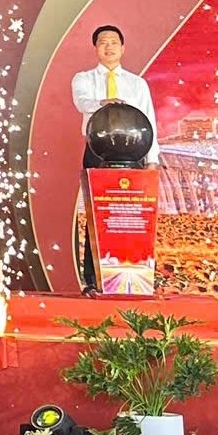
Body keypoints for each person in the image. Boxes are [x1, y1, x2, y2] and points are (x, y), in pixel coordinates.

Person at [71, 23, 158, 292]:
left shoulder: (137, 83)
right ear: (95, 48)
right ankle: (94, 280)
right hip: (98, 152)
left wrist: (152, 159)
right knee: (98, 215)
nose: (108, 47)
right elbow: (82, 102)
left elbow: (149, 121)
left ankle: (133, 279)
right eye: (103, 42)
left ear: (122, 48)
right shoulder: (84, 79)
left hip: (134, 154)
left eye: (113, 42)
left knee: (132, 216)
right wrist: (104, 103)